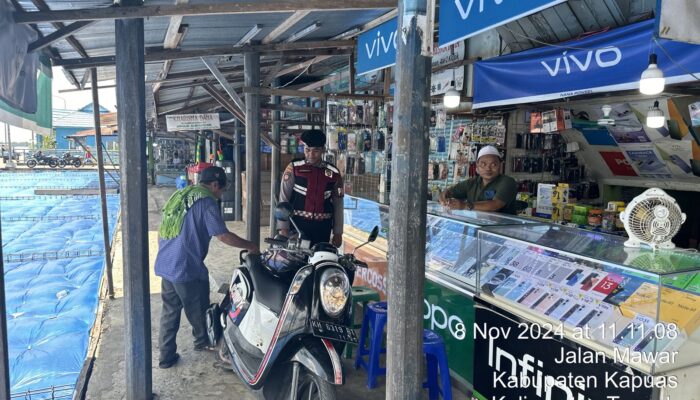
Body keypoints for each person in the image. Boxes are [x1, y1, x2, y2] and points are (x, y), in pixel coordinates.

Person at [154, 166, 259, 369]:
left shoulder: (181, 194)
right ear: (214, 185)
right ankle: (205, 342)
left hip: (166, 262)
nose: (220, 195)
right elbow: (222, 235)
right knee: (200, 309)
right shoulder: (206, 201)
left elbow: (163, 228)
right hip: (186, 267)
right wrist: (250, 245)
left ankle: (166, 357)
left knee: (169, 311)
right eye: (221, 190)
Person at [278, 130, 344, 247]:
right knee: (297, 261)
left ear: (323, 150)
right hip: (297, 225)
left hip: (323, 227)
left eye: (316, 151)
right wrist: (283, 228)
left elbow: (338, 203)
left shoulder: (334, 173)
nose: (311, 155)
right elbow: (284, 199)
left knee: (319, 259)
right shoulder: (294, 168)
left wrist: (338, 233)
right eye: (307, 150)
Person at [439, 145, 517, 214]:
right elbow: (448, 192)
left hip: (501, 228)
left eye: (494, 164)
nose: (488, 168)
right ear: (477, 166)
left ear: (500, 166)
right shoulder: (472, 182)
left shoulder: (507, 182)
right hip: (478, 225)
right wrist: (443, 197)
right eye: (483, 164)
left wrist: (464, 205)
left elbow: (495, 205)